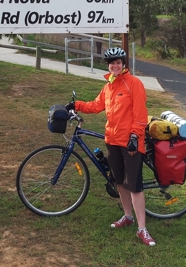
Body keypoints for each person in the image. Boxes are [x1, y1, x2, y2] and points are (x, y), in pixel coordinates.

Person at [66, 47, 156, 247]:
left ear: (123, 64)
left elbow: (140, 115)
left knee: (134, 186)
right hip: (112, 141)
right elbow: (96, 105)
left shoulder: (134, 84)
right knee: (119, 182)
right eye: (111, 63)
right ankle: (127, 216)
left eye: (118, 62)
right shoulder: (109, 86)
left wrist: (135, 136)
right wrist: (76, 105)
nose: (115, 66)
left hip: (130, 142)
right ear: (108, 66)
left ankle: (142, 228)